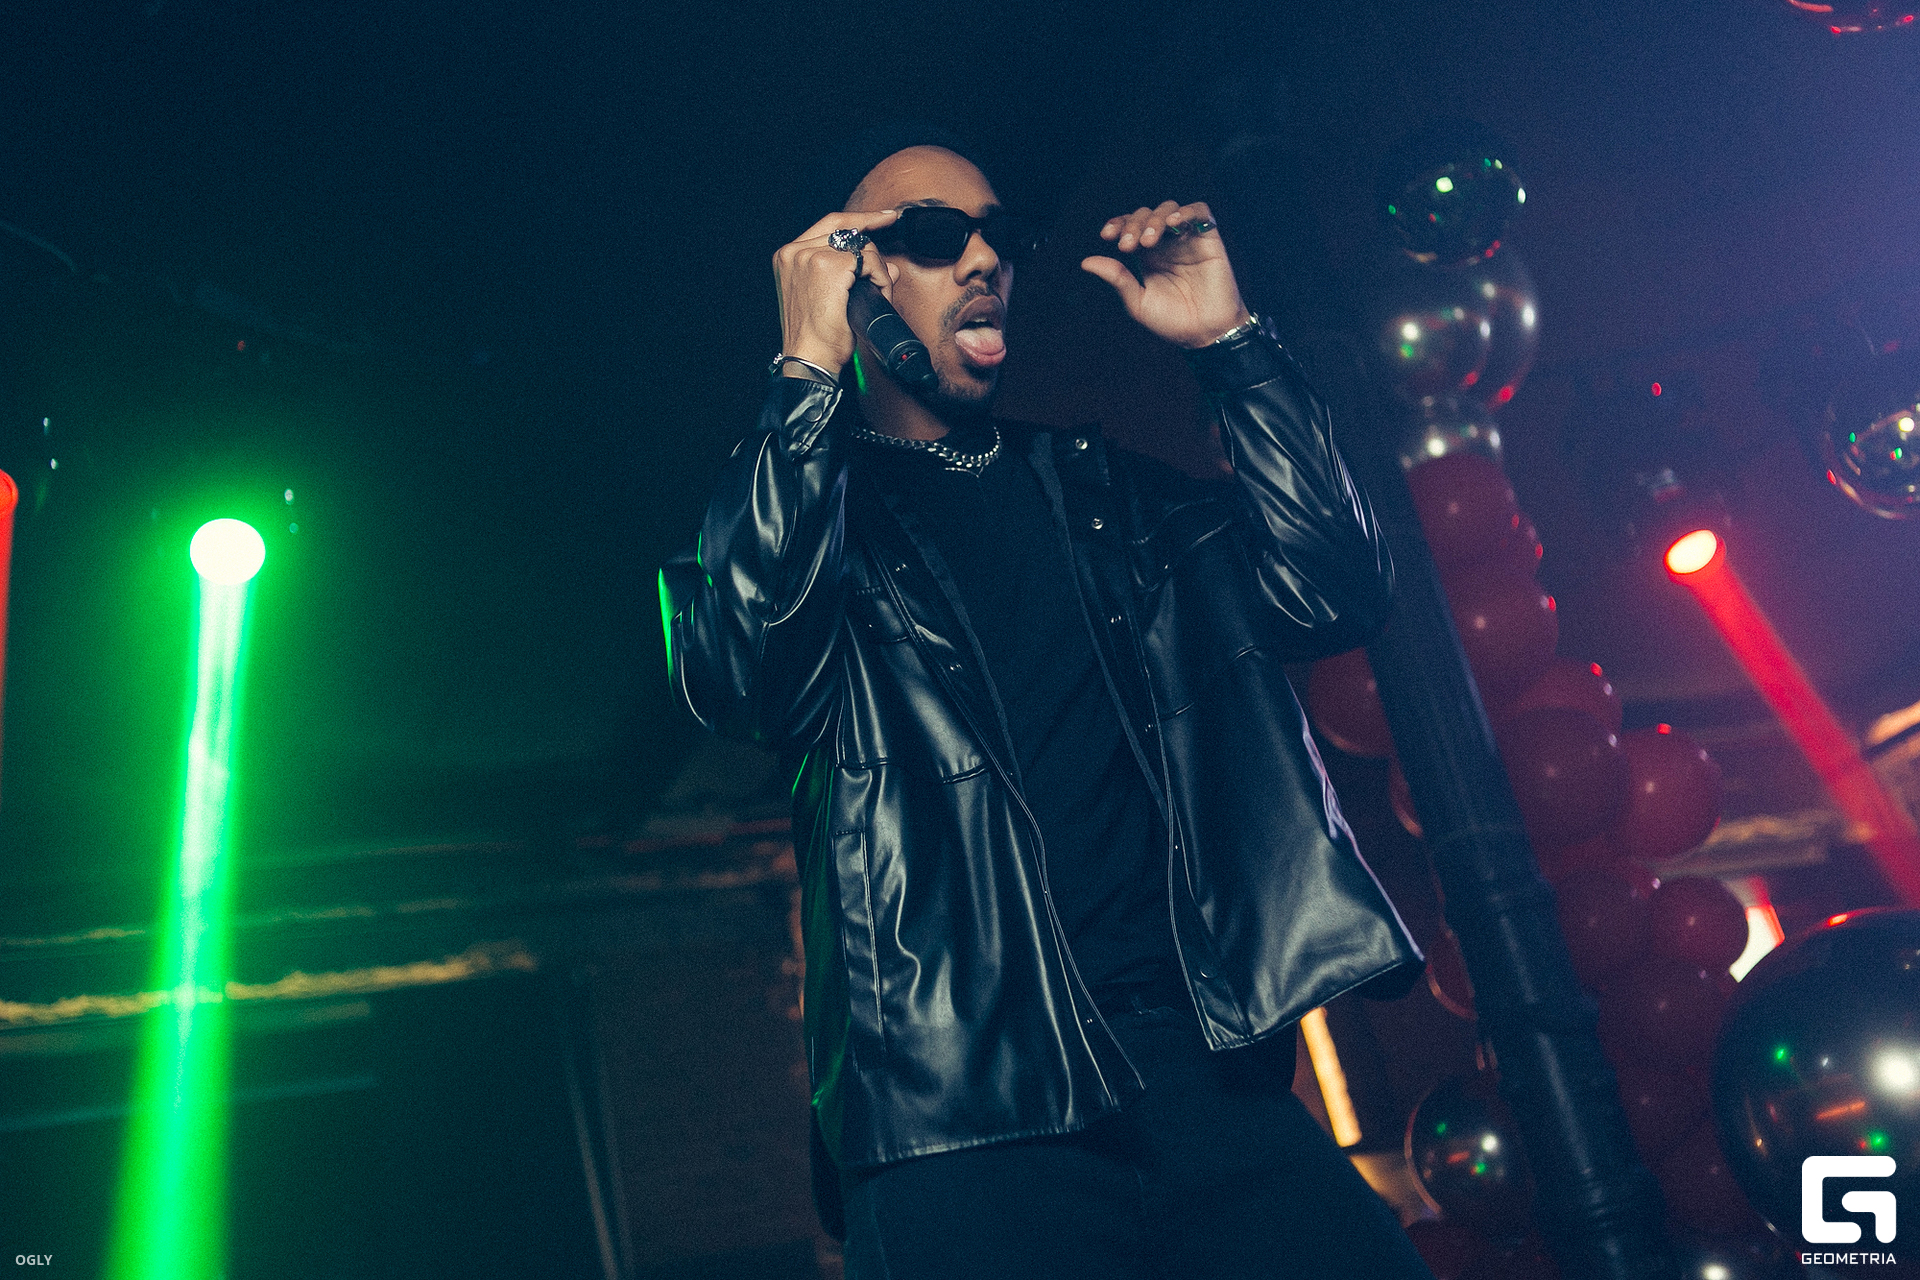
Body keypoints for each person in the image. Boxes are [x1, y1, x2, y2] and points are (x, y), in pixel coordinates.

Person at [660, 124, 1433, 1279]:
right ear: (855, 276)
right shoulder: (809, 529)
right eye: (934, 236)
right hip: (965, 1116)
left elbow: (1338, 586)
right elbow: (743, 671)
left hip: (1199, 1074)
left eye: (998, 235)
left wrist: (1230, 344)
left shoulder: (1109, 495)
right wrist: (803, 374)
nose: (984, 259)